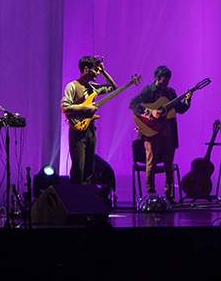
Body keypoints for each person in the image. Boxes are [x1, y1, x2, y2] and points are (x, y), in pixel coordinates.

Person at [129, 65, 190, 205]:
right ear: (157, 78)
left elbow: (180, 109)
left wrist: (187, 99)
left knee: (169, 165)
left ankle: (170, 196)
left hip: (169, 135)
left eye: (168, 79)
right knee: (151, 164)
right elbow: (133, 104)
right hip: (151, 133)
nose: (166, 82)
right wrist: (150, 113)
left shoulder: (171, 92)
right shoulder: (148, 90)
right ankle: (151, 195)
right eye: (164, 79)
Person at [62, 56, 117, 185]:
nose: (97, 73)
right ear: (86, 69)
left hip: (91, 129)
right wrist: (85, 107)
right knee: (78, 168)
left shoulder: (93, 88)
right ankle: (75, 199)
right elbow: (65, 107)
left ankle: (86, 196)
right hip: (78, 130)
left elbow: (113, 87)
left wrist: (104, 71)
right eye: (96, 70)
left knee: (89, 168)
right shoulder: (72, 86)